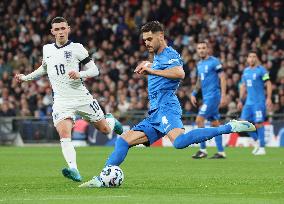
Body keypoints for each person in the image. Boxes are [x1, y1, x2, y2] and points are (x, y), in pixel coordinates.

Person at [79, 21, 255, 188]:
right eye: (144, 40)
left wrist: (151, 69)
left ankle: (228, 127)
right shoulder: (156, 58)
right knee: (123, 141)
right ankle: (102, 178)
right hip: (155, 112)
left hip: (166, 106)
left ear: (161, 36)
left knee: (179, 142)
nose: (146, 43)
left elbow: (180, 73)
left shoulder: (169, 54)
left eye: (150, 39)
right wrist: (149, 65)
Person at [15, 17, 123, 182]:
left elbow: (95, 71)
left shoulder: (77, 48)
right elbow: (44, 68)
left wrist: (80, 74)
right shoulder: (47, 49)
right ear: (52, 32)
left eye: (62, 28)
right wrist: (26, 78)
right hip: (61, 101)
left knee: (105, 130)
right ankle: (74, 169)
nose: (60, 32)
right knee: (64, 134)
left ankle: (112, 122)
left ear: (68, 29)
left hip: (81, 97)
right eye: (56, 29)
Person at [190, 42, 227, 159]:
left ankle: (203, 150)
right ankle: (221, 152)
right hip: (206, 97)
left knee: (199, 120)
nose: (201, 50)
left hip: (213, 96)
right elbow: (199, 80)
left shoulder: (214, 62)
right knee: (215, 124)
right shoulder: (199, 64)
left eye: (203, 48)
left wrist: (224, 95)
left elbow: (223, 78)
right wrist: (194, 93)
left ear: (208, 49)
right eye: (199, 48)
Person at [237, 51, 272, 155]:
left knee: (258, 123)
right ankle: (257, 142)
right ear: (247, 59)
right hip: (248, 103)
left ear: (256, 59)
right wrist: (240, 100)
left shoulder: (261, 70)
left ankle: (262, 148)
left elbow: (269, 83)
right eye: (250, 57)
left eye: (254, 57)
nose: (252, 59)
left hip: (259, 102)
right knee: (243, 123)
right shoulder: (246, 71)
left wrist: (269, 98)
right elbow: (243, 86)